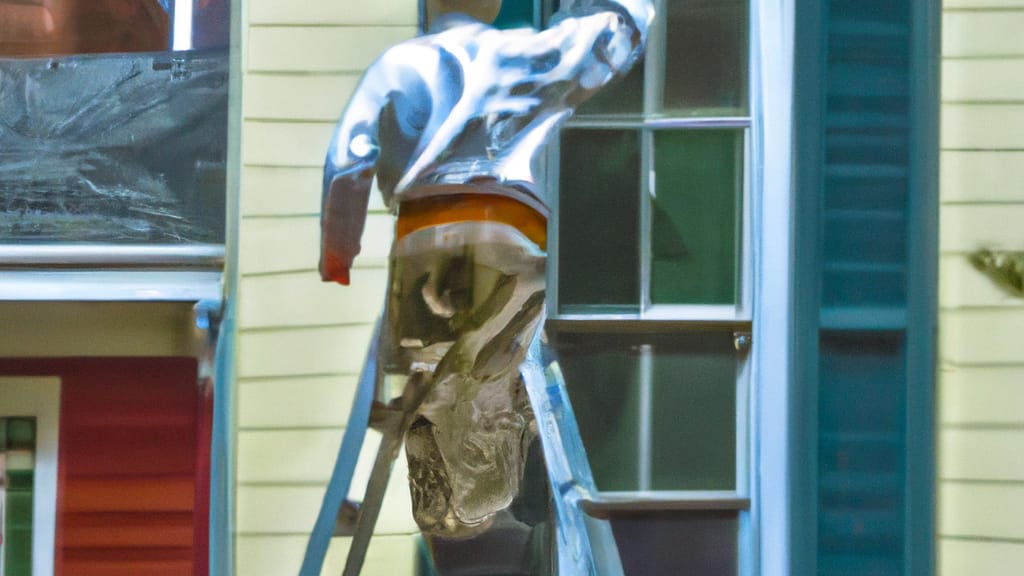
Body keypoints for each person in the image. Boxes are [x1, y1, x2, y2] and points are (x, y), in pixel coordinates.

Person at [318, 0, 653, 570]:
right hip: (508, 239)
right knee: (499, 382)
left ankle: (460, 519)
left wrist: (337, 251)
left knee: (437, 385)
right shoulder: (514, 53)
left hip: (422, 244)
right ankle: (498, 513)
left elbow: (348, 162)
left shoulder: (399, 64)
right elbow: (607, 40)